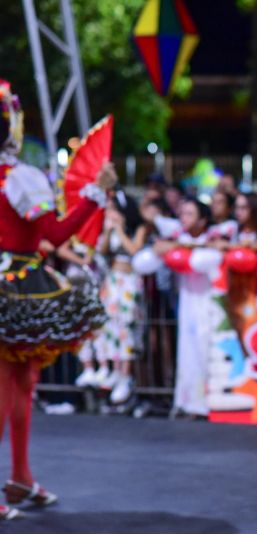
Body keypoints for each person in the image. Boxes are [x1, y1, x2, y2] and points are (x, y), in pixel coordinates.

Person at [0, 80, 116, 520]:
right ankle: (18, 478)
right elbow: (55, 234)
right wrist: (95, 194)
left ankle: (21, 478)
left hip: (13, 284)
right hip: (19, 287)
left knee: (23, 383)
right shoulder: (20, 178)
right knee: (11, 386)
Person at [80, 192, 147, 404]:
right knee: (110, 326)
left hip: (129, 281)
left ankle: (126, 374)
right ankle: (114, 369)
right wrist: (108, 233)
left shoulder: (139, 228)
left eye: (112, 209)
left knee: (127, 326)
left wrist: (119, 229)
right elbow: (102, 251)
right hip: (111, 281)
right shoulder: (108, 229)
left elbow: (134, 249)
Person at [154, 198, 214, 418]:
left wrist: (189, 246)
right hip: (187, 300)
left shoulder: (214, 236)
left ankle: (207, 403)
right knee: (187, 351)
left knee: (206, 350)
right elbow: (159, 247)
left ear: (203, 219)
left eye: (190, 214)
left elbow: (219, 248)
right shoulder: (178, 237)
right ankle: (188, 402)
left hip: (209, 301)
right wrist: (182, 244)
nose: (184, 218)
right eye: (183, 213)